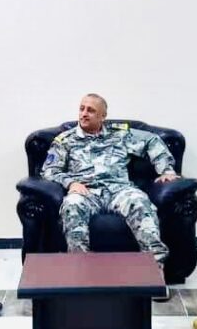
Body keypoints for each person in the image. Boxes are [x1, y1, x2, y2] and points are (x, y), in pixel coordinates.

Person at [41, 93, 179, 267]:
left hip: (119, 189)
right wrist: (71, 183)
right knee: (72, 205)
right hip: (86, 191)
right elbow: (49, 171)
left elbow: (152, 140)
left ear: (103, 116)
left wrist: (166, 170)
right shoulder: (65, 140)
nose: (84, 114)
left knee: (140, 201)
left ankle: (154, 268)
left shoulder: (120, 135)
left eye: (90, 110)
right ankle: (79, 266)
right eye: (82, 109)